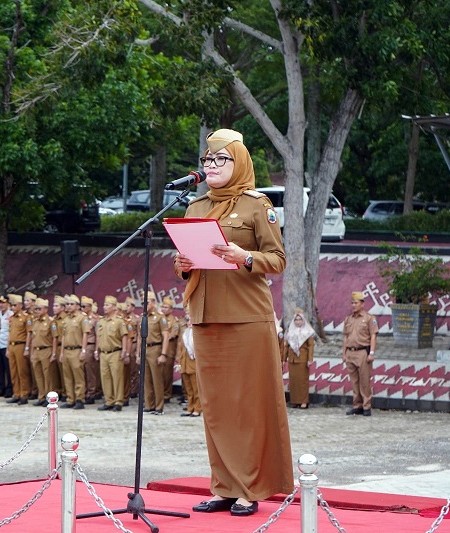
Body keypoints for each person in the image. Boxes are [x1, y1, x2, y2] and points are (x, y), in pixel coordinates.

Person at [173, 128, 293, 517]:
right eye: (207, 160)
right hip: (206, 317)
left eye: (219, 159)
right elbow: (189, 263)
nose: (210, 165)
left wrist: (243, 256)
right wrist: (183, 265)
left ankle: (251, 488)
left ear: (238, 161)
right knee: (217, 406)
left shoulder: (258, 205)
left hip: (246, 318)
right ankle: (223, 485)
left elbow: (277, 260)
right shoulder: (196, 207)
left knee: (249, 405)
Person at [342, 291, 378, 416]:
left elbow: (373, 336)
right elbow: (346, 337)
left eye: (356, 303)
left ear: (362, 304)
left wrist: (372, 352)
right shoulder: (348, 319)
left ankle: (366, 406)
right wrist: (344, 353)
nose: (353, 305)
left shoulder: (369, 318)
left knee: (364, 381)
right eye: (352, 303)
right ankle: (357, 405)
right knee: (354, 381)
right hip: (351, 352)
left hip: (363, 351)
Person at [94, 295, 131, 411]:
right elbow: (98, 337)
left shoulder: (119, 321)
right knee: (105, 378)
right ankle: (108, 401)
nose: (104, 307)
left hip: (115, 352)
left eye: (107, 305)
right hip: (104, 353)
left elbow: (124, 336)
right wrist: (97, 350)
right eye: (104, 305)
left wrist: (124, 351)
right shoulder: (101, 321)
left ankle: (118, 401)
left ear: (114, 307)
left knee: (117, 378)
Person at [142, 291, 170, 416]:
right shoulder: (143, 317)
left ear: (153, 303)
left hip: (156, 349)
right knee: (146, 379)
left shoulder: (160, 317)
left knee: (157, 379)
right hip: (145, 349)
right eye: (142, 303)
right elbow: (139, 337)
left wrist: (163, 354)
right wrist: (138, 354)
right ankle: (149, 405)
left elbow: (166, 336)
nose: (144, 305)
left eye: (146, 302)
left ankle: (159, 406)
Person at [58, 294, 89, 409]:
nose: (69, 306)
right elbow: (63, 337)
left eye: (72, 304)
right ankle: (70, 399)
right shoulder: (65, 320)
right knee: (68, 376)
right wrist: (61, 353)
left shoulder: (82, 318)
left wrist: (83, 350)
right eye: (67, 304)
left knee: (78, 376)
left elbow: (85, 334)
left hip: (77, 349)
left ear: (77, 306)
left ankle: (80, 399)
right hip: (66, 350)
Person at [283, 309, 315, 409]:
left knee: (302, 381)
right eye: (296, 320)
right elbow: (286, 346)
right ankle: (295, 401)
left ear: (303, 321)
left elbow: (311, 346)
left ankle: (303, 401)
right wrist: (284, 359)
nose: (298, 322)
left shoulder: (308, 332)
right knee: (293, 381)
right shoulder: (290, 331)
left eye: (300, 320)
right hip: (292, 359)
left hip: (302, 359)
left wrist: (310, 359)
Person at [30, 298, 58, 406]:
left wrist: (54, 353)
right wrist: (32, 353)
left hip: (46, 349)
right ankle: (41, 396)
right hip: (36, 350)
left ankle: (48, 397)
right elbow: (33, 338)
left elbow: (55, 338)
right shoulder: (35, 322)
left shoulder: (51, 321)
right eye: (36, 309)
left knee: (47, 375)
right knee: (38, 375)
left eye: (39, 309)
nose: (37, 311)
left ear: (46, 309)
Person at [6, 294, 32, 405]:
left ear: (20, 305)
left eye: (14, 305)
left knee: (22, 371)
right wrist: (8, 348)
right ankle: (16, 393)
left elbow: (29, 333)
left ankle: (24, 394)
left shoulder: (26, 317)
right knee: (13, 371)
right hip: (12, 345)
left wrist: (26, 348)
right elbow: (10, 333)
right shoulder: (11, 318)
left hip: (21, 345)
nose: (12, 307)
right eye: (11, 305)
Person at [176, 312, 201, 417]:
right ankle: (190, 407)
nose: (188, 322)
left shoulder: (197, 333)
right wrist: (180, 363)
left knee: (196, 389)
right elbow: (181, 349)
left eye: (190, 320)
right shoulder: (185, 333)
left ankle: (197, 408)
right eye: (187, 320)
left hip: (193, 363)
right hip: (185, 363)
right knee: (188, 389)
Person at [81, 296, 101, 404]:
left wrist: (96, 350)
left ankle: (91, 393)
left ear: (89, 307)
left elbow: (97, 335)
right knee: (81, 371)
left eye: (84, 306)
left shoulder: (95, 319)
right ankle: (83, 392)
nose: (82, 308)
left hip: (90, 345)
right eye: (81, 306)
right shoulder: (81, 318)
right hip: (81, 346)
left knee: (90, 371)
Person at [160, 297, 180, 403]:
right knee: (158, 374)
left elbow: (172, 335)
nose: (163, 309)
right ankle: (158, 394)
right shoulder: (158, 319)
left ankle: (166, 395)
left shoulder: (174, 321)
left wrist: (162, 336)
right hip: (158, 351)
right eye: (162, 307)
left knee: (167, 375)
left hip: (169, 352)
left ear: (171, 309)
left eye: (166, 307)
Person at [0, 295, 13, 398]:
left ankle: (10, 388)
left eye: (3, 303)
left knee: (8, 368)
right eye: (0, 303)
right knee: (0, 368)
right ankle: (1, 387)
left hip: (7, 344)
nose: (1, 305)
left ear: (8, 304)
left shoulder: (11, 315)